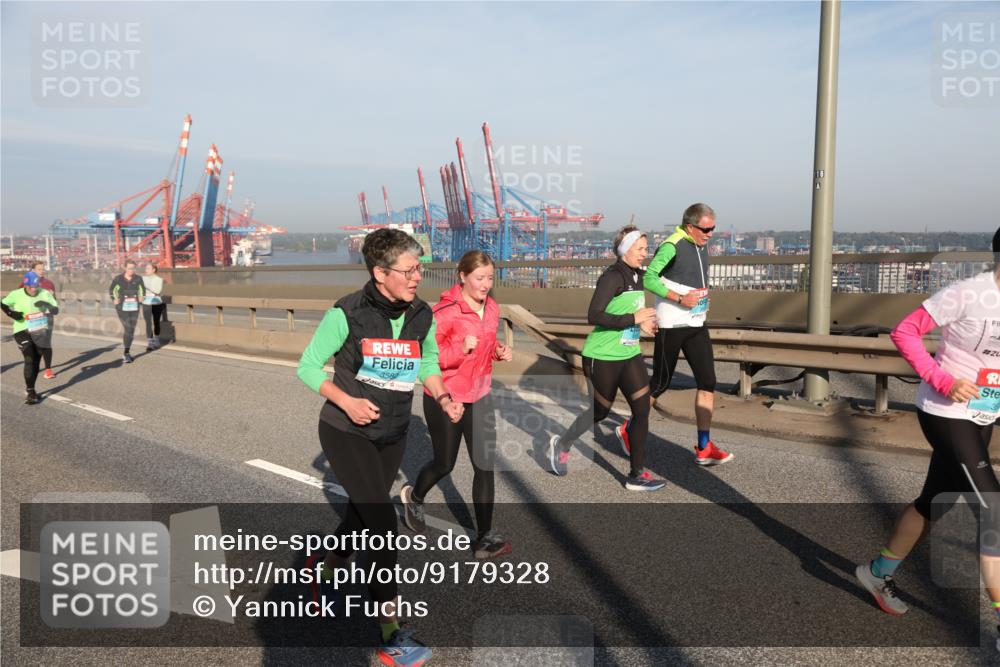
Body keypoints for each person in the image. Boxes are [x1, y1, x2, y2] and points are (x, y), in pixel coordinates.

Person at [297, 228, 461, 667]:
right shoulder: (345, 313)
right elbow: (308, 368)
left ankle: (324, 570)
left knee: (360, 512)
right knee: (382, 523)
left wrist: (442, 396)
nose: (417, 277)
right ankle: (390, 633)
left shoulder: (422, 314)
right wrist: (347, 400)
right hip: (345, 430)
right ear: (380, 272)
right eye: (408, 271)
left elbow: (427, 361)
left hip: (393, 431)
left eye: (419, 269)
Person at [855, 228, 1000, 628]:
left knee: (936, 501)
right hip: (946, 411)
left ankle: (877, 573)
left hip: (984, 413)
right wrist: (944, 380)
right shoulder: (969, 292)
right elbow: (905, 332)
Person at [400, 250, 515, 559]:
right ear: (462, 276)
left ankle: (483, 537)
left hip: (480, 395)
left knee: (484, 465)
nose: (486, 285)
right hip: (445, 398)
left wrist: (498, 352)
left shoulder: (491, 308)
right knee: (445, 464)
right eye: (480, 278)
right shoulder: (444, 312)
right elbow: (427, 361)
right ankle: (414, 496)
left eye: (490, 278)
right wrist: (460, 351)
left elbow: (485, 348)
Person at [546, 225, 664, 490]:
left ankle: (636, 474)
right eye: (641, 249)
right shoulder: (612, 277)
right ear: (625, 250)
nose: (645, 254)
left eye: (646, 249)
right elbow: (595, 315)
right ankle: (562, 443)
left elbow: (630, 309)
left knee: (642, 409)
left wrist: (641, 326)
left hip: (629, 353)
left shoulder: (638, 276)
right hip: (602, 355)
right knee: (600, 411)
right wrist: (633, 319)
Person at [642, 203, 733, 466]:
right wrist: (681, 298)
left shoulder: (700, 244)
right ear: (689, 226)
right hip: (672, 324)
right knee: (660, 383)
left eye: (713, 228)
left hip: (696, 323)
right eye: (705, 229)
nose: (710, 233)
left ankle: (704, 447)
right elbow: (649, 278)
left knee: (708, 381)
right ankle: (629, 428)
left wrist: (702, 298)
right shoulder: (672, 244)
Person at [2, 272, 59, 404]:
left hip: (40, 331)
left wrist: (46, 307)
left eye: (36, 286)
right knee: (29, 357)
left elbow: (56, 310)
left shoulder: (44, 293)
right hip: (22, 330)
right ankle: (31, 392)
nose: (34, 289)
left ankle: (31, 388)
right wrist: (11, 313)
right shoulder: (16, 294)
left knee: (35, 363)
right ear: (26, 285)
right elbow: (3, 303)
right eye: (31, 286)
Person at [108, 260, 145, 363]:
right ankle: (126, 354)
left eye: (133, 268)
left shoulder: (138, 278)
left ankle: (127, 350)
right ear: (124, 268)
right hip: (122, 307)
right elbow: (112, 290)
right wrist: (114, 298)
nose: (131, 270)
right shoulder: (118, 279)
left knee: (131, 330)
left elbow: (142, 289)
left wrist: (142, 296)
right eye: (129, 268)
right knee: (128, 328)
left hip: (134, 306)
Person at [30, 261, 57, 379]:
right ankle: (33, 364)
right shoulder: (27, 283)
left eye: (43, 269)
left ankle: (48, 369)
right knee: (34, 345)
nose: (42, 271)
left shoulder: (49, 283)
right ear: (33, 270)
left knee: (46, 343)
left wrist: (51, 301)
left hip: (47, 317)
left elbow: (54, 302)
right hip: (33, 318)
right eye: (39, 269)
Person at [141, 262, 165, 350]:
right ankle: (150, 342)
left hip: (156, 302)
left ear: (154, 270)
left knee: (156, 322)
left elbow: (157, 291)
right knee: (148, 323)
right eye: (145, 268)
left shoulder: (159, 279)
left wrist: (147, 286)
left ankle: (157, 339)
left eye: (148, 268)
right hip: (146, 303)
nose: (145, 270)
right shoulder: (142, 279)